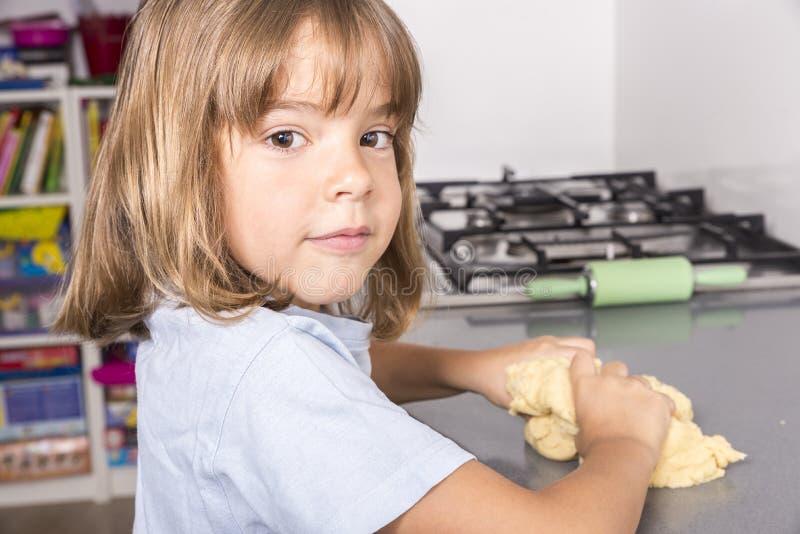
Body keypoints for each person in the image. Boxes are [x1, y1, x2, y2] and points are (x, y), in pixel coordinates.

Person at [53, 0, 676, 532]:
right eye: (285, 137)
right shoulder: (271, 376)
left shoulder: (195, 313)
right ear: (177, 164)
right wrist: (622, 439)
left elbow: (327, 368)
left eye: (375, 135)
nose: (355, 175)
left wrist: (467, 368)